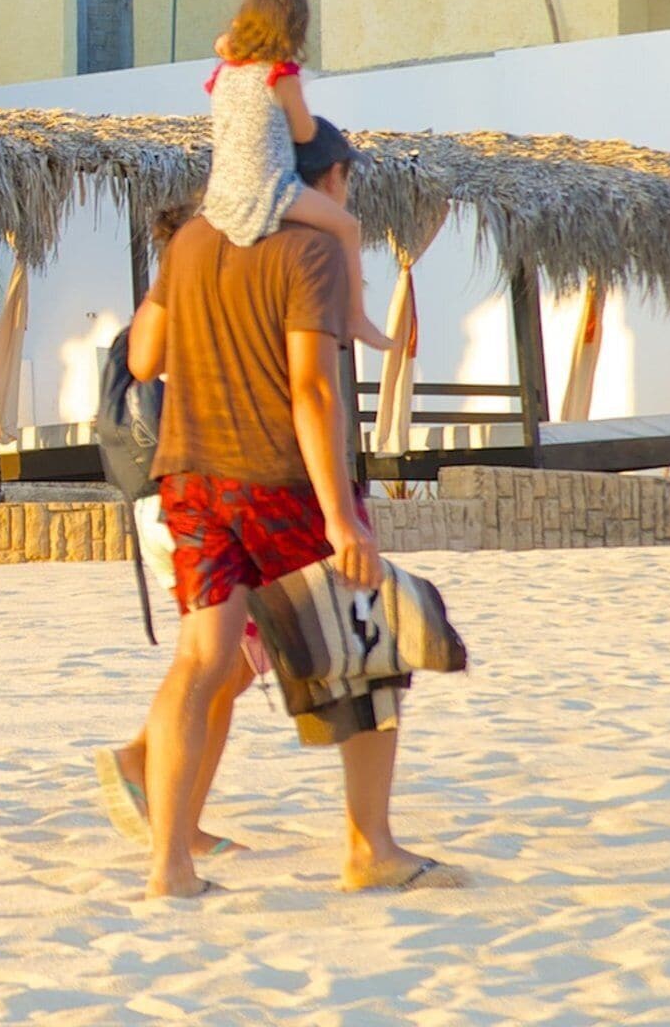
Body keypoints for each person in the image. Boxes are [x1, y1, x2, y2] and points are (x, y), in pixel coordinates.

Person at [119, 121, 451, 897]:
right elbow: (312, 388)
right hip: (279, 478)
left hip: (192, 480)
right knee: (366, 648)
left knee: (200, 661)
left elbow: (143, 357)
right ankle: (370, 848)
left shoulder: (191, 242)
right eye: (346, 183)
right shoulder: (309, 250)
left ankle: (170, 867)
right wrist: (340, 516)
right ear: (326, 180)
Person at [200, 0, 371, 336]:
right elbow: (304, 133)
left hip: (220, 194)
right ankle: (356, 317)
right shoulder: (280, 75)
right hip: (269, 188)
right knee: (347, 227)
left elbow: (222, 42)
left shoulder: (227, 70)